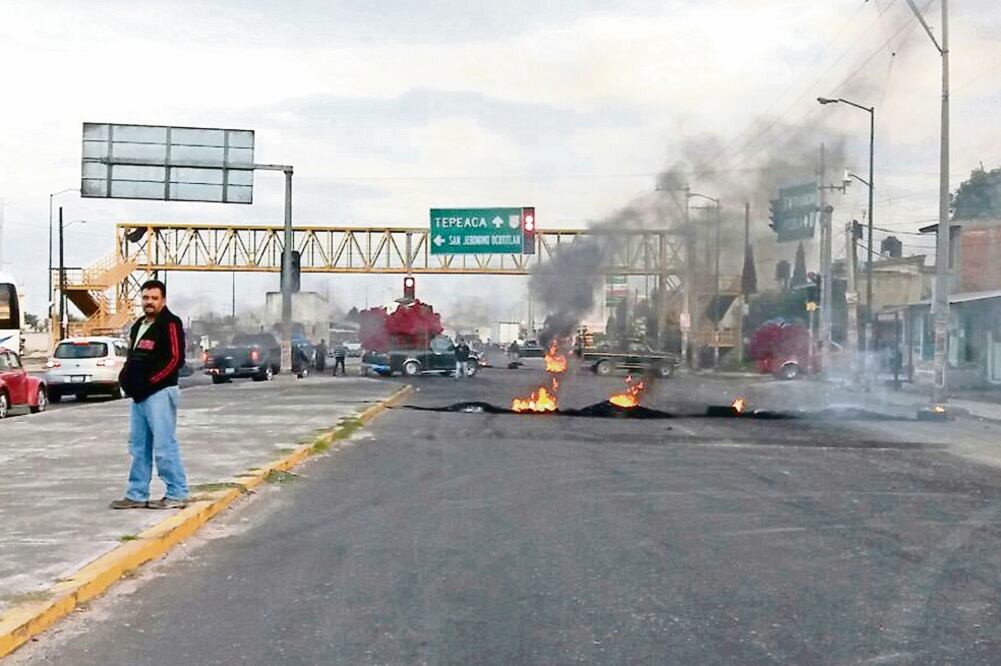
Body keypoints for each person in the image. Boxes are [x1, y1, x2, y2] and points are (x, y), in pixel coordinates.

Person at [110, 279, 189, 510]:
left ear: (162, 300)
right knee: (138, 446)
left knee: (164, 446)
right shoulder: (138, 325)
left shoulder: (170, 324)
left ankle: (177, 492)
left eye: (154, 298)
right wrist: (126, 379)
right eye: (146, 298)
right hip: (138, 396)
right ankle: (136, 494)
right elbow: (133, 358)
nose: (149, 302)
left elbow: (176, 359)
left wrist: (151, 382)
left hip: (161, 394)